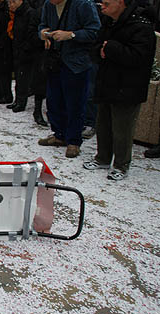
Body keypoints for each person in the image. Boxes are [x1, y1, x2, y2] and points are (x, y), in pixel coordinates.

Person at [83, 0, 156, 180]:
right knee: (104, 123)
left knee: (122, 128)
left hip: (128, 87)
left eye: (107, 3)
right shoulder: (108, 22)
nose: (102, 6)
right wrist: (101, 50)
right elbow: (96, 46)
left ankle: (121, 164)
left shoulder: (141, 25)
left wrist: (110, 48)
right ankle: (103, 158)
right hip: (107, 82)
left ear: (121, 3)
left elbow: (139, 57)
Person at [38, 0, 101, 158]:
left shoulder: (83, 4)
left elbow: (94, 31)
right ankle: (59, 134)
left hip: (76, 63)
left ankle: (73, 141)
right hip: (54, 61)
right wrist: (43, 34)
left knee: (75, 103)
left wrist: (71, 35)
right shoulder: (48, 5)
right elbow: (42, 25)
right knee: (54, 100)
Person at [5, 0, 35, 113]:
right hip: (17, 50)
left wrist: (25, 48)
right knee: (18, 77)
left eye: (13, 2)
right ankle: (18, 100)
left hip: (26, 52)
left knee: (24, 78)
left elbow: (30, 33)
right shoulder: (17, 14)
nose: (11, 5)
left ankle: (22, 102)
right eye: (9, 3)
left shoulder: (29, 13)